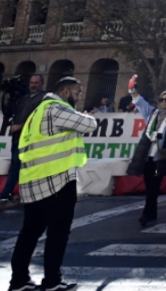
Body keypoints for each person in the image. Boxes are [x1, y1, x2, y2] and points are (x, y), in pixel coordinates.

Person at [8, 77, 96, 291]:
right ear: (65, 92)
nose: (79, 97)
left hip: (32, 180)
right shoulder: (57, 108)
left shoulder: (36, 113)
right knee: (58, 233)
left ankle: (19, 280)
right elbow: (89, 125)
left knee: (29, 232)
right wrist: (84, 116)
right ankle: (52, 281)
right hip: (57, 180)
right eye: (77, 93)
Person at [127, 86, 166, 227]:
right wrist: (133, 91)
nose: (164, 102)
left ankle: (147, 214)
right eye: (162, 99)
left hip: (162, 156)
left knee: (154, 185)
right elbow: (141, 103)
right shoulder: (153, 113)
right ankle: (151, 213)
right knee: (149, 185)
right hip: (148, 155)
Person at [0, 74, 45, 203]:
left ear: (42, 83)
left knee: (21, 167)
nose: (33, 85)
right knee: (16, 167)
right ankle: (14, 193)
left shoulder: (44, 98)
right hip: (17, 138)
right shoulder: (23, 98)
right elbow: (8, 112)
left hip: (31, 140)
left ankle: (5, 194)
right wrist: (8, 98)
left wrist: (20, 126)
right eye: (31, 82)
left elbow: (40, 119)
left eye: (36, 82)